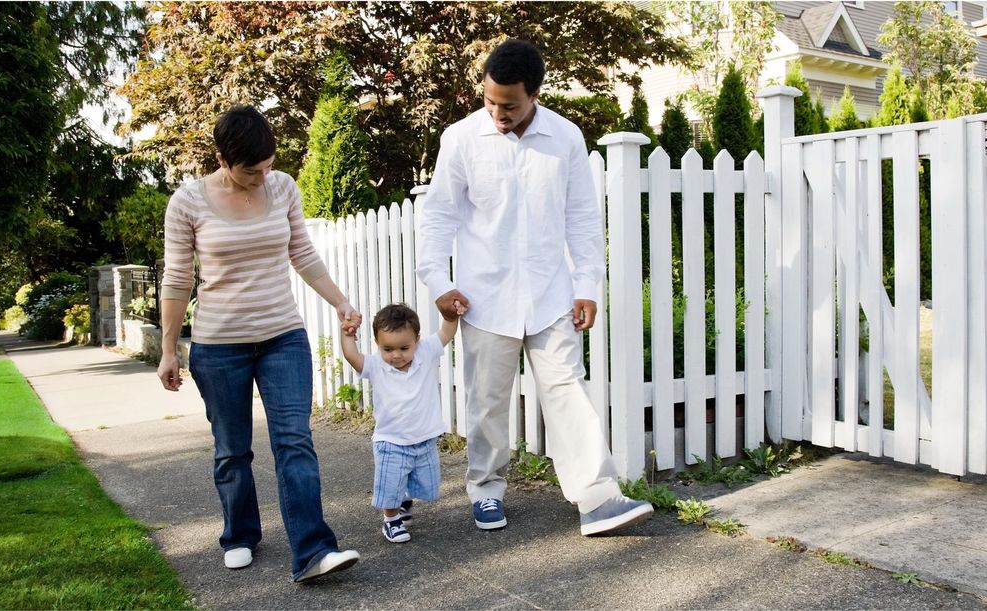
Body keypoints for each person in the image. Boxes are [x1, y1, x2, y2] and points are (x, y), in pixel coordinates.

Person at [416, 40, 653, 536]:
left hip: (550, 295)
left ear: (536, 94)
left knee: (569, 391)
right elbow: (437, 215)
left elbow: (583, 218)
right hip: (484, 299)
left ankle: (598, 497)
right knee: (487, 401)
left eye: (509, 104)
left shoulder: (565, 137)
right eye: (489, 101)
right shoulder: (460, 139)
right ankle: (485, 490)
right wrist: (439, 281)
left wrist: (587, 284)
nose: (498, 113)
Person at [156, 104, 360, 581]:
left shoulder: (283, 186)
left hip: (282, 337)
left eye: (268, 165)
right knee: (232, 449)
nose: (262, 177)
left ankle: (313, 552)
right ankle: (240, 533)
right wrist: (168, 347)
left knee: (295, 440)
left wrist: (340, 302)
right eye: (252, 170)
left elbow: (302, 252)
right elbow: (177, 278)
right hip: (218, 344)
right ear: (223, 160)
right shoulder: (187, 202)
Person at [339, 302, 462, 543]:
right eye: (388, 349)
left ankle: (403, 497)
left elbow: (447, 331)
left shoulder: (425, 353)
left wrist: (450, 312)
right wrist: (347, 335)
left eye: (404, 348)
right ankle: (391, 520)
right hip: (391, 440)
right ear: (377, 344)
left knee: (426, 483)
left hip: (424, 439)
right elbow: (352, 356)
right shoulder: (376, 365)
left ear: (417, 339)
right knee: (389, 485)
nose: (396, 355)